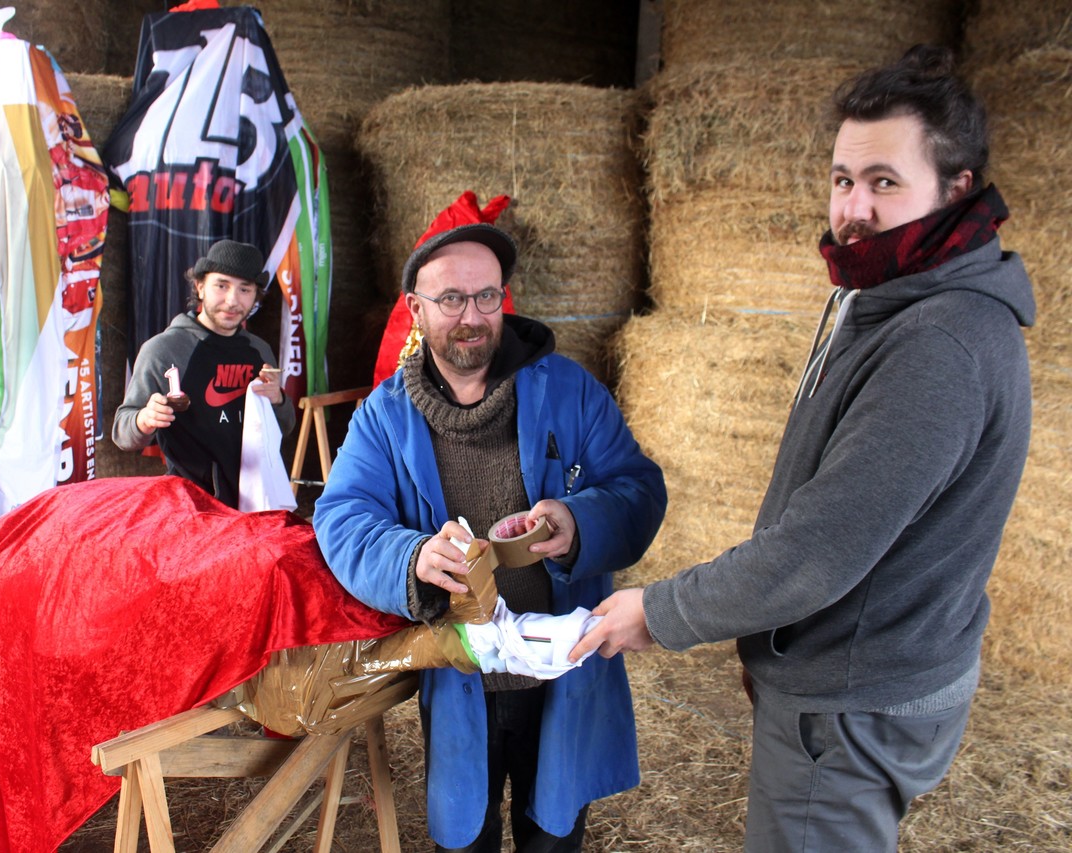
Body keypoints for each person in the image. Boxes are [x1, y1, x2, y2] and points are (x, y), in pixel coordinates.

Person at [572, 45, 1035, 852]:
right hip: (851, 665)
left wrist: (660, 610)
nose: (853, 207)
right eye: (842, 179)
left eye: (884, 182)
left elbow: (818, 551)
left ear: (957, 189)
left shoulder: (939, 344)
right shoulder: (886, 292)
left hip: (849, 703)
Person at [313, 205, 667, 852]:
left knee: (552, 835)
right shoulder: (383, 418)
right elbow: (342, 517)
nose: (471, 315)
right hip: (459, 675)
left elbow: (640, 489)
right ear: (415, 311)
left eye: (486, 295)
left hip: (561, 668)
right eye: (450, 298)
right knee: (465, 835)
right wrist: (411, 556)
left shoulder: (571, 392)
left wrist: (579, 519)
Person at [113, 239, 295, 506]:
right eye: (221, 285)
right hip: (192, 507)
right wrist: (144, 419)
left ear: (256, 295)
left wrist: (277, 400)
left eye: (245, 289)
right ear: (200, 286)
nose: (233, 300)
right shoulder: (163, 349)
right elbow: (122, 433)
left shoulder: (260, 351)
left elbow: (285, 426)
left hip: (258, 502)